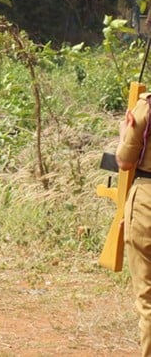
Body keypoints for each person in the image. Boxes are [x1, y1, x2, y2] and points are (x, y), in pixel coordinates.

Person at [117, 93, 151, 355]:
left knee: (149, 300)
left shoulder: (146, 107)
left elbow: (125, 161)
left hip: (147, 204)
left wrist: (123, 132)